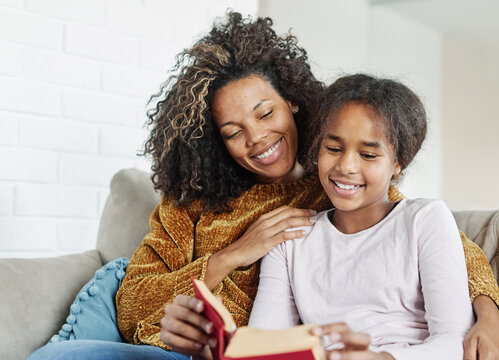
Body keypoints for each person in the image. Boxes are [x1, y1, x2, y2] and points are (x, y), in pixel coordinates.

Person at [28, 11, 499, 360]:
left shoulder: (336, 186)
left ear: (293, 102)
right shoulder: (191, 202)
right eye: (233, 132)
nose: (256, 139)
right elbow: (132, 305)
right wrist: (235, 253)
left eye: (265, 113)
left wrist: (489, 316)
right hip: (167, 335)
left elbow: (451, 252)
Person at [248, 74, 476, 359]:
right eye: (333, 149)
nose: (346, 166)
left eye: (368, 155)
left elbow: (456, 341)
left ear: (397, 163)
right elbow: (263, 345)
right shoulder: (290, 240)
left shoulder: (425, 219)